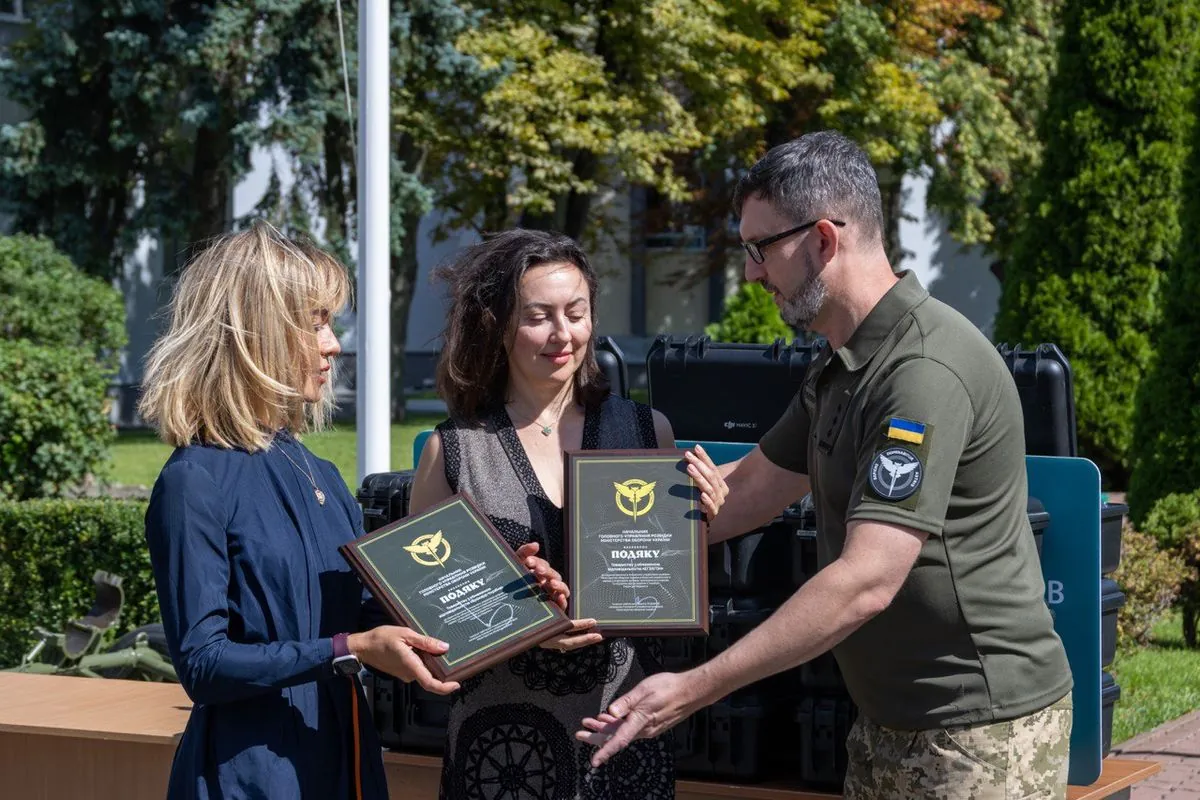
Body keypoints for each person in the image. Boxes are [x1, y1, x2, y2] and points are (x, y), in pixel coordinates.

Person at [576, 131, 1075, 799]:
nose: (751, 271)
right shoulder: (846, 361)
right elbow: (749, 490)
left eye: (760, 248)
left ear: (822, 240)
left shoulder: (920, 372)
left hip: (976, 731)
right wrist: (581, 554)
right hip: (889, 719)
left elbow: (867, 579)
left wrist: (695, 688)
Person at [139, 223, 564, 799]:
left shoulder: (319, 472)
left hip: (343, 759)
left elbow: (367, 612)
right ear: (255, 332)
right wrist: (348, 651)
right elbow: (204, 666)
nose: (333, 344)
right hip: (252, 777)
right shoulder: (195, 480)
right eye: (316, 323)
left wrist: (504, 590)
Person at [409, 228, 728, 799]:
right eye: (539, 317)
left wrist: (700, 523)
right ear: (497, 324)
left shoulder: (646, 432)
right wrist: (522, 619)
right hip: (503, 753)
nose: (563, 334)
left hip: (623, 735)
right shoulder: (454, 448)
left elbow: (663, 581)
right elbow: (431, 627)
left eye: (576, 313)